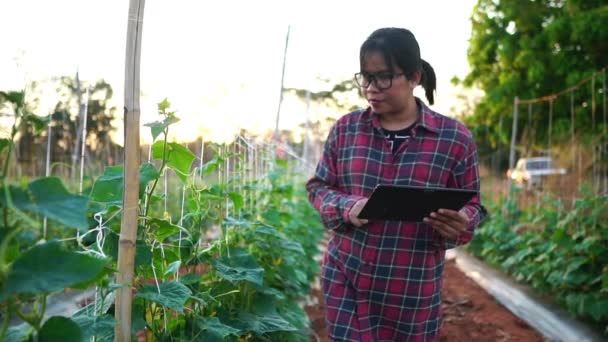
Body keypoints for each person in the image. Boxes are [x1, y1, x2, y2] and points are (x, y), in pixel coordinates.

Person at [306, 27, 487, 341]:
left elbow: (473, 204)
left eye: (384, 77)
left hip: (412, 291)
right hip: (348, 279)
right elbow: (318, 187)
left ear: (414, 77)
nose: (371, 88)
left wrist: (461, 223)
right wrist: (348, 207)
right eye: (366, 77)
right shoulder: (347, 130)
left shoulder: (454, 139)